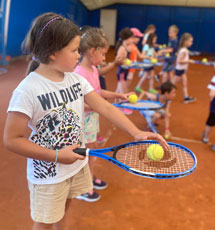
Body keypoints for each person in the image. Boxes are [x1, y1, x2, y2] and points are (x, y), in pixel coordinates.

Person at [3, 13, 168, 230]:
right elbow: (11, 139)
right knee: (44, 222)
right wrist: (56, 156)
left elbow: (105, 106)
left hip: (75, 164)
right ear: (53, 53)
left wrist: (136, 132)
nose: (78, 56)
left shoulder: (75, 79)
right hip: (48, 176)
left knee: (66, 206)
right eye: (74, 51)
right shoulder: (28, 90)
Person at [75, 27, 133, 202]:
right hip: (82, 122)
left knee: (92, 152)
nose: (105, 58)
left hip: (92, 120)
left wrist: (118, 95)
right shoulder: (79, 73)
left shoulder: (92, 69)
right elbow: (78, 104)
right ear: (92, 51)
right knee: (85, 155)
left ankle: (89, 179)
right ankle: (82, 188)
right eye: (103, 54)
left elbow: (98, 93)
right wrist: (99, 107)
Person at [173, 33, 196, 104]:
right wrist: (189, 61)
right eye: (190, 41)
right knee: (173, 85)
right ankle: (166, 96)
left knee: (184, 84)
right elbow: (179, 61)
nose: (191, 43)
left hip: (182, 70)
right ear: (185, 41)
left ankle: (186, 98)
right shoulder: (184, 50)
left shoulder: (183, 49)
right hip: (180, 70)